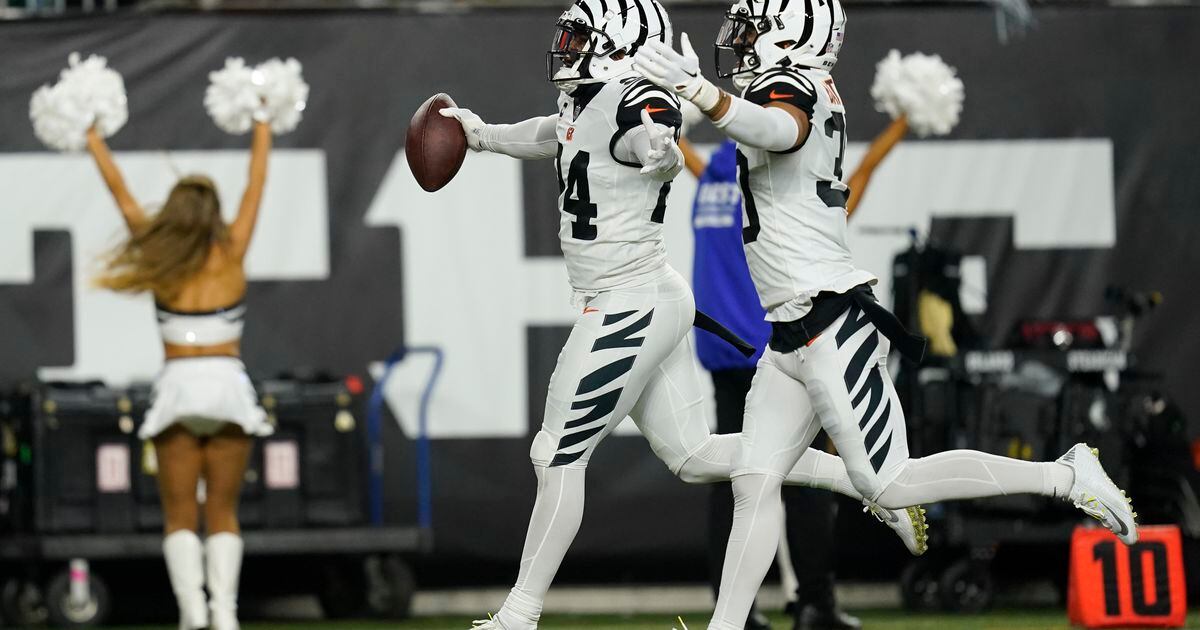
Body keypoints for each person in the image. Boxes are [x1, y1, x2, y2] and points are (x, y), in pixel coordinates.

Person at [632, 2, 1139, 628]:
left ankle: (1065, 476)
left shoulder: (797, 83)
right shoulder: (777, 86)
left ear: (794, 28)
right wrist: (691, 109)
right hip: (788, 333)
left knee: (890, 483)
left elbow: (781, 130)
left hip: (828, 323)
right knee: (754, 482)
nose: (740, 39)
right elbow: (755, 138)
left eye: (753, 24)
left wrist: (703, 94)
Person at [437, 2, 925, 628]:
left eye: (579, 36)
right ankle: (859, 479)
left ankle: (518, 615)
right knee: (694, 455)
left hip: (627, 303)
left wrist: (658, 148)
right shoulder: (587, 101)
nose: (566, 46)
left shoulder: (635, 98)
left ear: (621, 43)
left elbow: (653, 131)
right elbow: (546, 134)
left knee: (557, 454)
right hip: (649, 297)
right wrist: (480, 135)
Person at [683, 116, 907, 630]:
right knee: (806, 480)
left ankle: (735, 613)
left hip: (721, 350)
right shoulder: (766, 179)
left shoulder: (716, 171)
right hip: (778, 347)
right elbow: (848, 196)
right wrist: (895, 130)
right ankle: (815, 605)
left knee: (733, 481)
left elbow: (687, 152)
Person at [86, 119, 273, 630]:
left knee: (179, 514)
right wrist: (263, 123)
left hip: (179, 390)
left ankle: (192, 613)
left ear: (173, 214)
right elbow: (257, 184)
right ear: (215, 213)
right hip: (227, 390)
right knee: (223, 511)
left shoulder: (158, 254)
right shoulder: (232, 252)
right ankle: (225, 615)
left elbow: (120, 192)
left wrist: (92, 139)